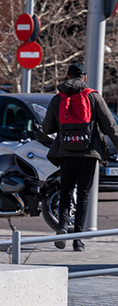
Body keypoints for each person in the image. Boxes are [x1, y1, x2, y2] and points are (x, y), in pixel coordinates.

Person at [43, 62, 118, 251]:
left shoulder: (58, 99)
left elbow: (47, 128)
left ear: (68, 77)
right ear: (84, 78)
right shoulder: (93, 96)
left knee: (66, 190)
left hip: (66, 152)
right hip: (89, 153)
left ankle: (61, 227)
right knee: (83, 194)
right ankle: (78, 239)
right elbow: (110, 126)